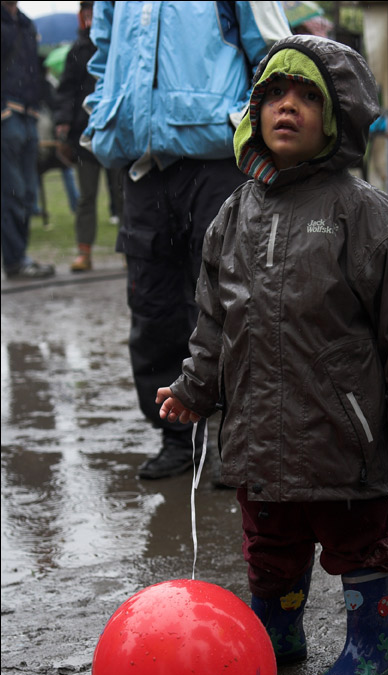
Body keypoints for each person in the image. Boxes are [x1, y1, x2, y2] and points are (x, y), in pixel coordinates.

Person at [156, 34, 388, 675]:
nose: (287, 106)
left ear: (337, 115)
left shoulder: (362, 212)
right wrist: (197, 387)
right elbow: (213, 319)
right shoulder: (232, 215)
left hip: (340, 429)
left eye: (307, 96)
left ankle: (373, 643)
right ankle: (277, 628)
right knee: (269, 537)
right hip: (258, 428)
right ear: (254, 111)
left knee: (358, 538)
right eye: (273, 94)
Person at [81, 1, 291, 479]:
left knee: (231, 301)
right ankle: (179, 437)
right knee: (153, 307)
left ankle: (235, 440)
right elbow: (104, 55)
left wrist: (244, 121)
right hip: (143, 165)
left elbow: (277, 54)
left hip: (218, 162)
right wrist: (102, 114)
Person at [54, 0, 122, 273]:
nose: (91, 15)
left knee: (123, 195)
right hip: (85, 136)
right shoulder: (77, 50)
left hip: (116, 132)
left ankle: (131, 250)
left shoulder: (119, 45)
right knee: (87, 197)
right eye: (86, 10)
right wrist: (62, 123)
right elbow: (66, 91)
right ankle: (84, 251)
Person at [1, 0, 55, 279]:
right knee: (12, 192)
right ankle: (14, 260)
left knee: (27, 194)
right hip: (8, 116)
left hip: (29, 115)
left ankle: (19, 256)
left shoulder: (25, 23)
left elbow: (34, 71)